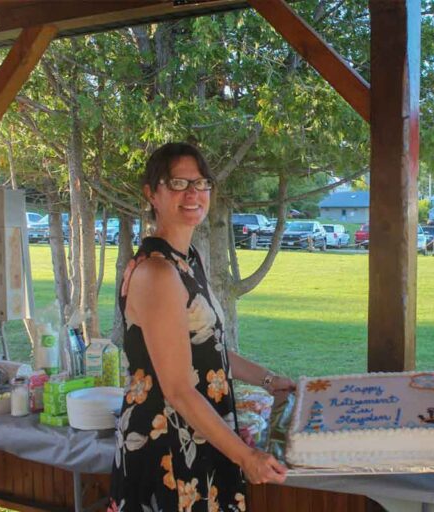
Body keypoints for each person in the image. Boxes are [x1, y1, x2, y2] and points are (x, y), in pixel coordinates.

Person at [109, 142, 295, 512]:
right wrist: (246, 456)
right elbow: (178, 389)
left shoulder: (187, 260)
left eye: (201, 182)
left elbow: (208, 347)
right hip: (167, 445)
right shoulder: (157, 272)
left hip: (202, 434)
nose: (193, 193)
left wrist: (270, 380)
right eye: (177, 183)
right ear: (152, 194)